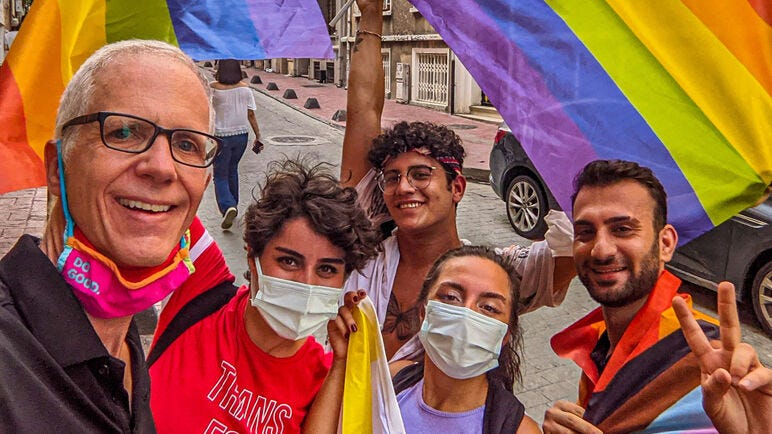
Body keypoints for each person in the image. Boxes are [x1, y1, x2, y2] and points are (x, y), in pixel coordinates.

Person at [0, 40, 218, 432]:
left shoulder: (124, 342)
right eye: (125, 132)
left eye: (186, 143)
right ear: (56, 168)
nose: (162, 167)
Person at [340, 0, 576, 362]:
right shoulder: (365, 256)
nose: (403, 187)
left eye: (421, 174)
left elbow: (578, 237)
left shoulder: (498, 273)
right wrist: (371, 13)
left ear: (457, 188)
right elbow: (362, 110)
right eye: (392, 178)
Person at [149, 160, 382, 433]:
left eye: (327, 269)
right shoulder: (201, 286)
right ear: (252, 256)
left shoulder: (324, 375)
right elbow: (159, 191)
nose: (306, 282)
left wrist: (342, 363)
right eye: (289, 262)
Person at [543, 159, 772, 433]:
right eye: (585, 232)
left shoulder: (707, 362)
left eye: (622, 229)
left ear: (665, 244)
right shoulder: (600, 343)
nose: (600, 250)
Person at [389, 246, 540, 433]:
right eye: (451, 297)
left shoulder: (519, 430)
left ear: (504, 336)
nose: (466, 314)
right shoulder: (393, 379)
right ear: (423, 313)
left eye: (489, 307)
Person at [211, 58, 261, 230]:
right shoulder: (245, 89)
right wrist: (258, 135)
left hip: (221, 137)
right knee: (232, 169)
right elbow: (251, 115)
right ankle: (234, 204)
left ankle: (227, 206)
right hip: (241, 136)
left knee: (220, 174)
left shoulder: (213, 89)